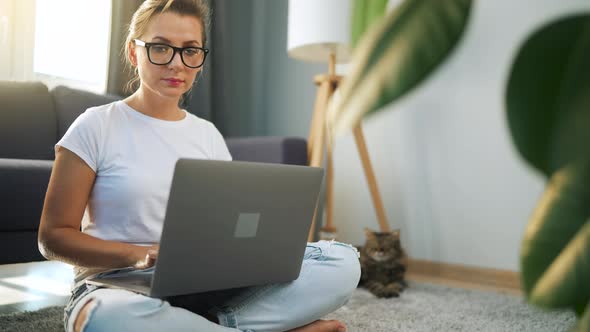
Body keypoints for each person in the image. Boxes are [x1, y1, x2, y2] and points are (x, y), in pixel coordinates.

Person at [37, 1, 360, 331]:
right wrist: (138, 254)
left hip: (204, 289)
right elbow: (52, 238)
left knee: (342, 262)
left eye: (190, 51)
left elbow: (227, 226)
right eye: (161, 48)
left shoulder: (208, 135)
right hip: (115, 287)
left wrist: (246, 256)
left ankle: (209, 324)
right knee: (104, 320)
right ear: (134, 53)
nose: (177, 64)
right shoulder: (94, 126)